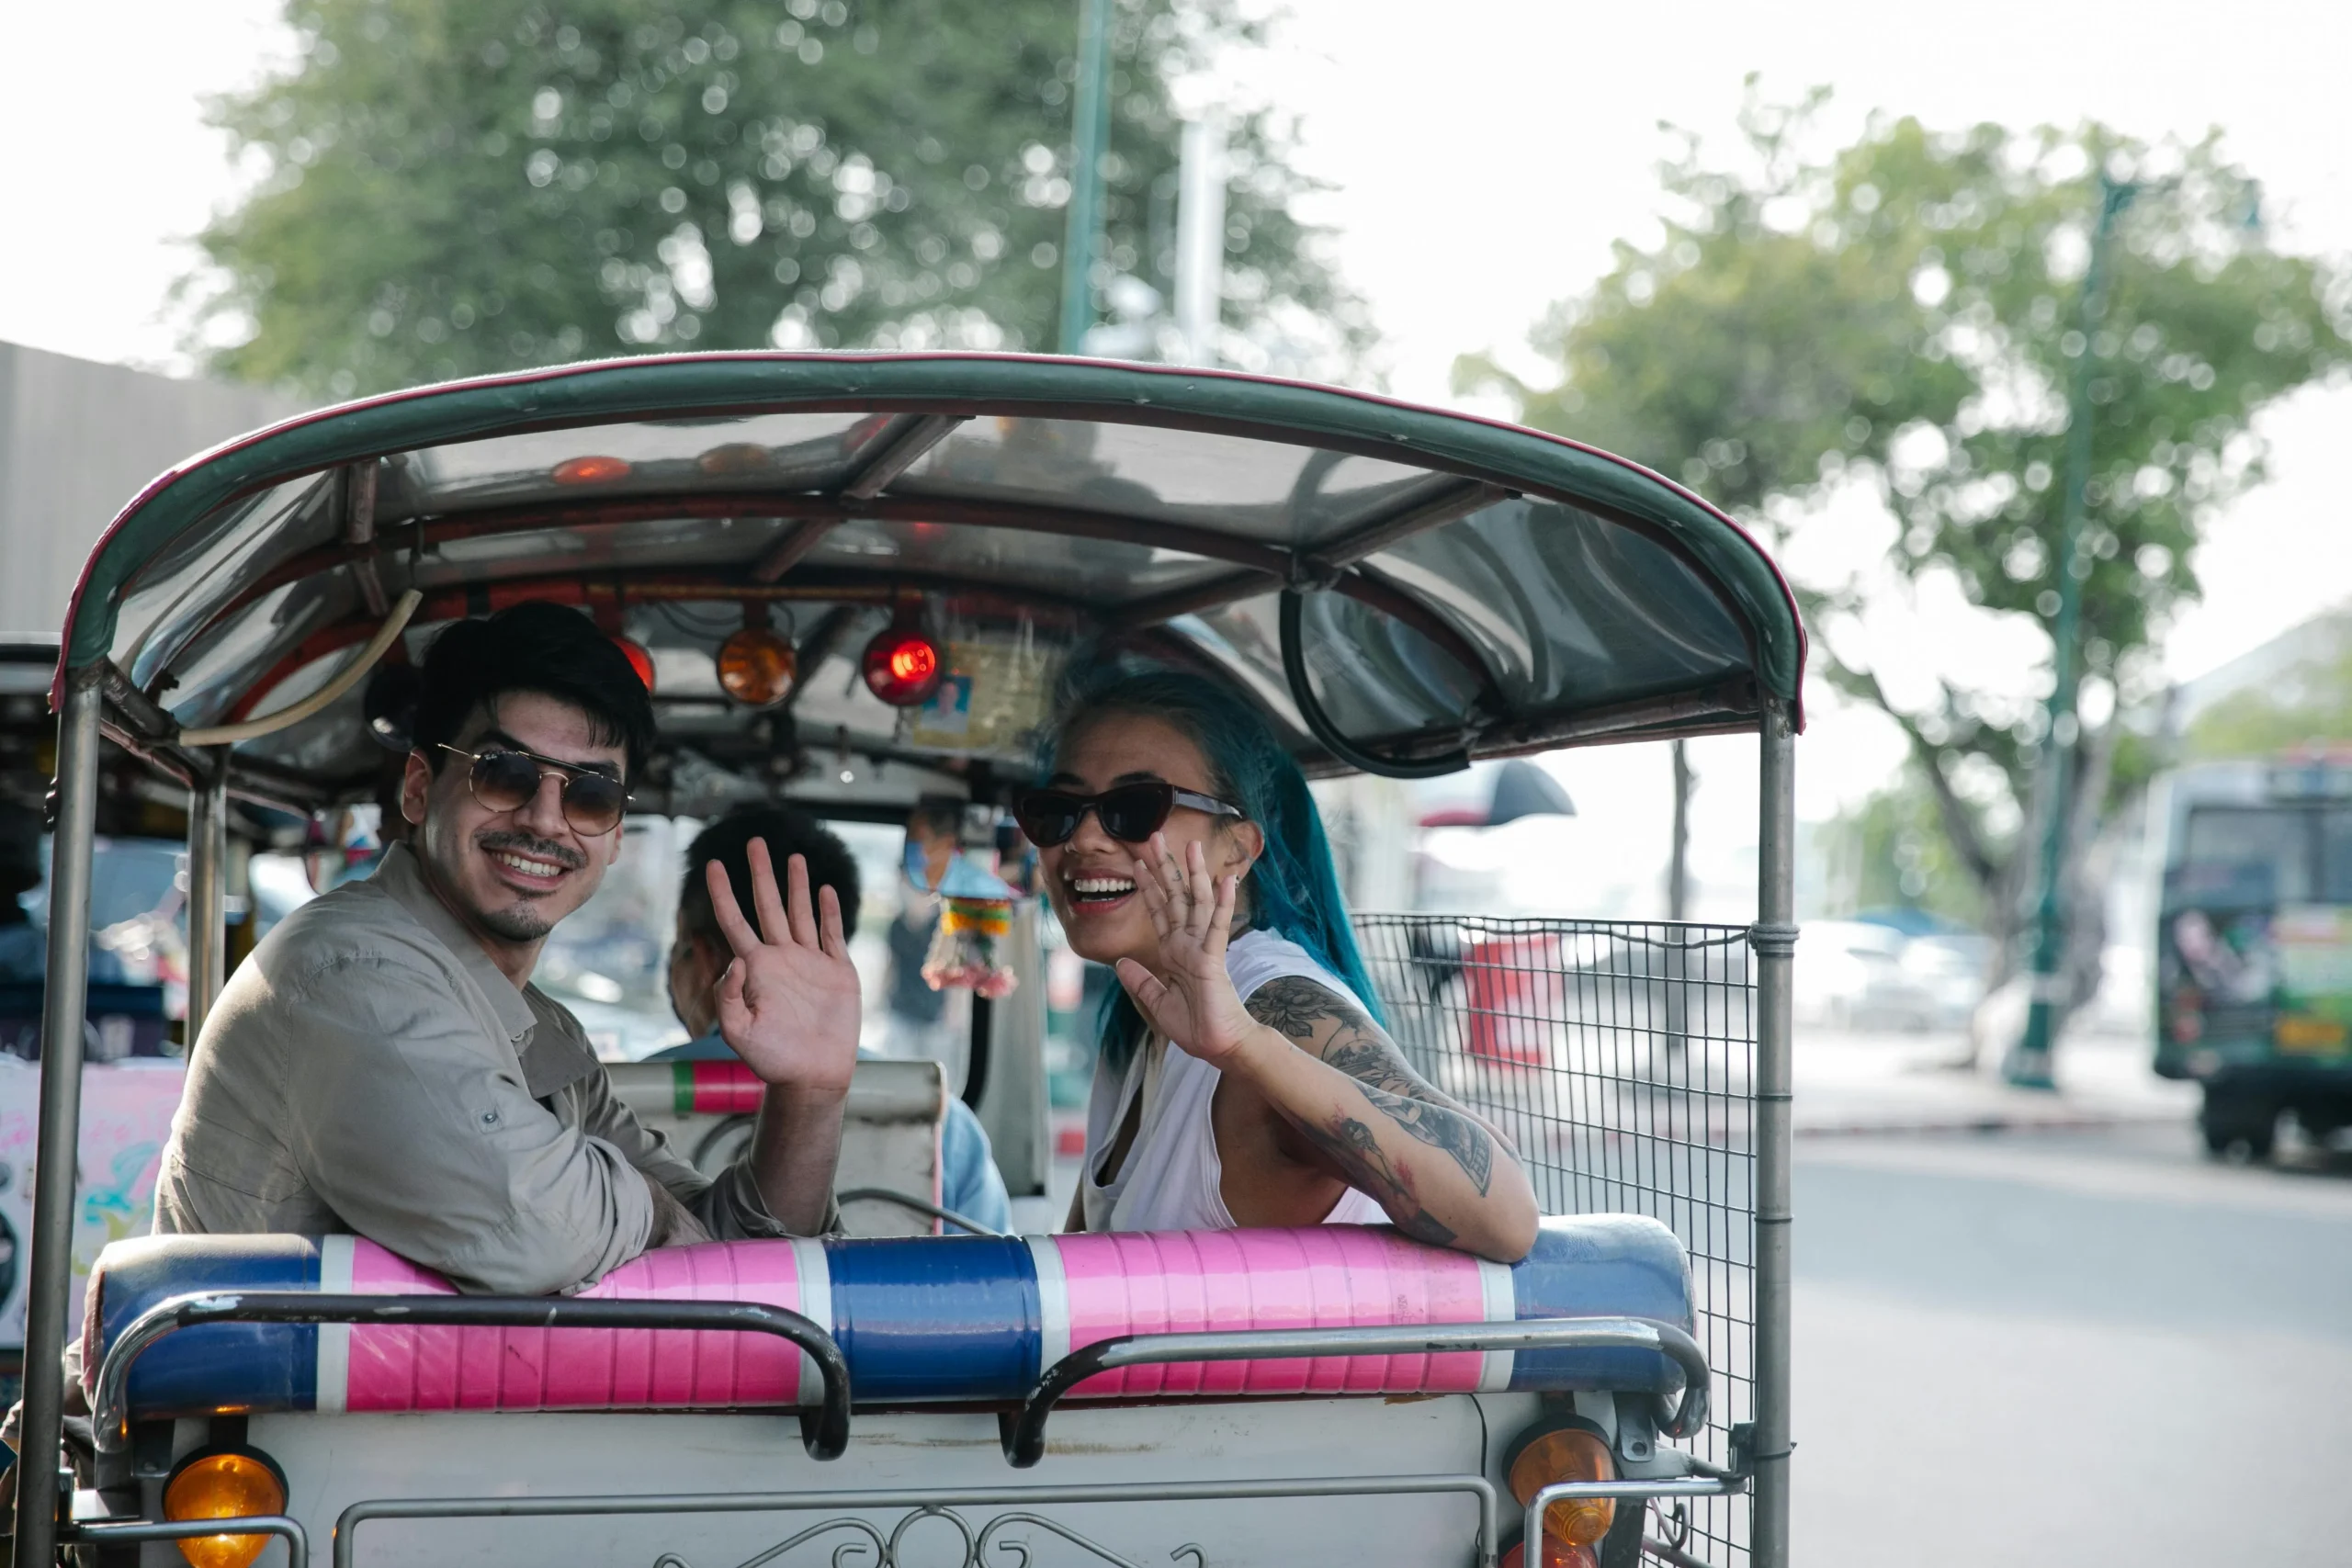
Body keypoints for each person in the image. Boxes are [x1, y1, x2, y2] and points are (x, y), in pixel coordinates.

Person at [153, 603, 862, 1294]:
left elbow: (730, 1261)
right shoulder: (347, 973)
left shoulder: (545, 1032)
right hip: (261, 1408)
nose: (545, 820)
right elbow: (538, 1231)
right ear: (420, 788)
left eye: (589, 795)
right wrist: (650, 1206)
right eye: (503, 773)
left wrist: (809, 1095)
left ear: (615, 835)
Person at [1025, 671, 1537, 1262]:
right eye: (1058, 809)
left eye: (1135, 808)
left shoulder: (1274, 1006)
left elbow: (1507, 1218)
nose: (1085, 838)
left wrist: (1243, 1045)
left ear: (1238, 848)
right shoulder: (1139, 1013)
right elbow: (1080, 1264)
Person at [657, 805, 1013, 1235]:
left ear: (704, 954)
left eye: (679, 945)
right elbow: (996, 1284)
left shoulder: (608, 1107)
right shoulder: (944, 1123)